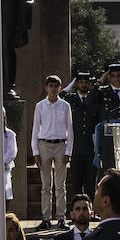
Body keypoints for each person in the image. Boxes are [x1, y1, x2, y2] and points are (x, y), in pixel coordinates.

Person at [31, 74, 74, 228]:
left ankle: (61, 217)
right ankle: (46, 218)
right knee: (45, 185)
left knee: (60, 185)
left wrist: (68, 151)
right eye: (51, 86)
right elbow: (35, 129)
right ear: (46, 88)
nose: (53, 89)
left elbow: (70, 129)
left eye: (56, 86)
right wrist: (35, 151)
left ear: (60, 88)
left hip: (61, 145)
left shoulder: (65, 106)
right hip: (44, 145)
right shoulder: (40, 106)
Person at [65, 72, 102, 198]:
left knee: (91, 182)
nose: (84, 85)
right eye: (81, 82)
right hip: (76, 147)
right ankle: (77, 212)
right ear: (76, 84)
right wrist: (69, 86)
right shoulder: (70, 99)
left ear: (90, 84)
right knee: (76, 182)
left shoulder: (96, 99)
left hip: (91, 148)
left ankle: (91, 211)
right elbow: (59, 96)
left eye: (86, 82)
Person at [3, 110, 18, 202]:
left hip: (5, 167)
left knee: (6, 190)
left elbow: (12, 152)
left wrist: (2, 162)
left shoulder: (10, 134)